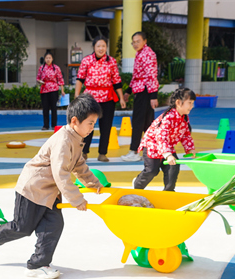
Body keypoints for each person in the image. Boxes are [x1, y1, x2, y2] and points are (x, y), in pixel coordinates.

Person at [0, 94, 103, 279]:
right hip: (33, 189)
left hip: (49, 193)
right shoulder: (63, 140)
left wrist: (94, 184)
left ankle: (37, 264)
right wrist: (77, 199)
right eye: (90, 123)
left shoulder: (76, 139)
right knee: (22, 227)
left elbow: (79, 166)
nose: (92, 128)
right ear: (75, 120)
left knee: (53, 225)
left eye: (94, 123)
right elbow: (60, 173)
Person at [132, 88, 197, 191]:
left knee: (173, 168)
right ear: (178, 103)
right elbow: (161, 137)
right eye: (189, 103)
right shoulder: (168, 117)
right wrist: (167, 154)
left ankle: (168, 191)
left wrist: (190, 149)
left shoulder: (184, 118)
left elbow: (185, 135)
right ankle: (137, 185)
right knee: (152, 170)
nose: (192, 106)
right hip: (153, 146)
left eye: (192, 103)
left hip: (167, 147)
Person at [74, 36, 127, 162]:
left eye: (103, 46)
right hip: (90, 98)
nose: (101, 48)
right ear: (94, 47)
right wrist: (77, 95)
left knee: (106, 127)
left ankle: (102, 153)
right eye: (98, 46)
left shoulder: (112, 62)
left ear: (106, 47)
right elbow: (80, 78)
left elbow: (117, 81)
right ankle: (84, 152)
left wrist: (121, 98)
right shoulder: (86, 61)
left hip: (107, 98)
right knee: (87, 126)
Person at [122, 31, 159, 162]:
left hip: (145, 91)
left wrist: (153, 95)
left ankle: (134, 151)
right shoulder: (140, 54)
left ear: (145, 41)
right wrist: (128, 91)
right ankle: (149, 150)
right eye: (133, 42)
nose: (135, 44)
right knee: (147, 123)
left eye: (138, 41)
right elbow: (136, 76)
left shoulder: (147, 54)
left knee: (138, 122)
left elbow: (151, 75)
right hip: (142, 90)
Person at [37, 51, 65, 131]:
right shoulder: (41, 68)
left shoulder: (56, 68)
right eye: (46, 58)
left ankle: (54, 125)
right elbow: (38, 78)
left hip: (54, 90)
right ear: (44, 59)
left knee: (54, 108)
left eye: (49, 58)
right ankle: (45, 125)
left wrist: (62, 90)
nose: (48, 59)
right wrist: (40, 81)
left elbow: (60, 79)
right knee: (45, 108)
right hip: (44, 90)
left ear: (52, 59)